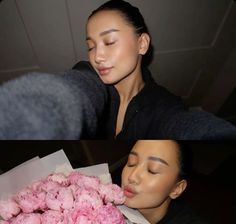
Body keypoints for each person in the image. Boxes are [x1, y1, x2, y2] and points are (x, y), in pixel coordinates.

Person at [0, 0, 236, 139]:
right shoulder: (89, 77)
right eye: (90, 46)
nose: (97, 56)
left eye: (109, 42)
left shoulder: (164, 104)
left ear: (142, 44)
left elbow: (187, 125)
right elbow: (70, 93)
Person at [121, 140, 236, 224]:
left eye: (152, 170)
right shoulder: (103, 203)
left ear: (176, 189)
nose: (132, 177)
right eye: (131, 162)